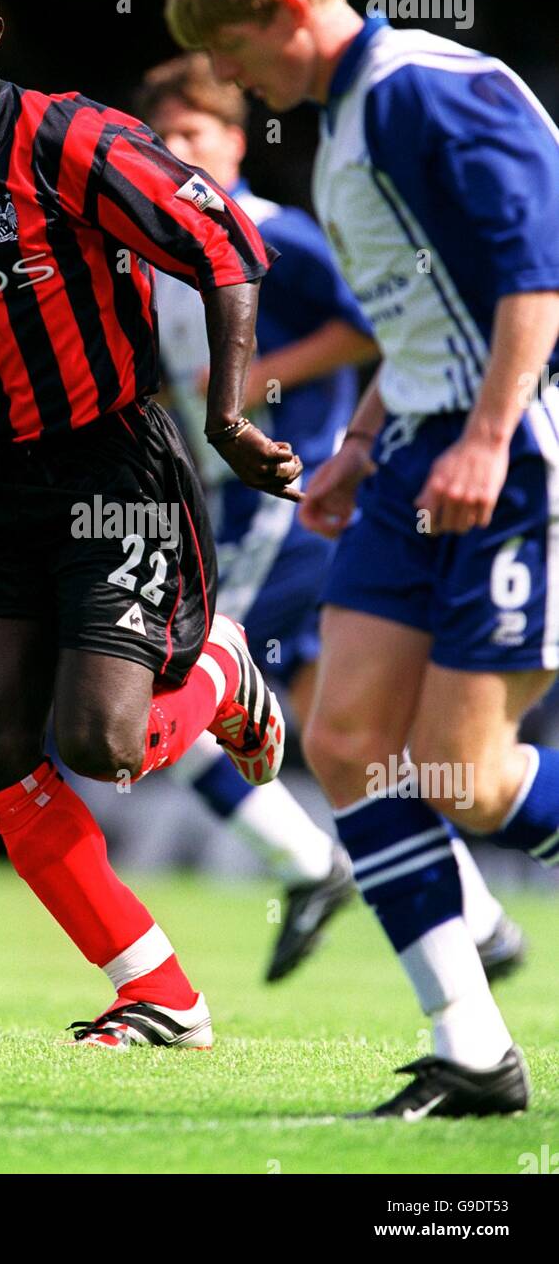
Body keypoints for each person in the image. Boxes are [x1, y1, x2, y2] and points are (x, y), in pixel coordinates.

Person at [0, 0, 302, 1050]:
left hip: (112, 463)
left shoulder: (66, 138)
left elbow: (225, 250)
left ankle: (223, 671)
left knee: (103, 743)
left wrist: (228, 418)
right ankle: (162, 992)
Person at [165, 0, 559, 1115]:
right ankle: (472, 1051)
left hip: (515, 451)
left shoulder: (426, 90)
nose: (238, 82)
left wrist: (488, 433)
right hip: (417, 458)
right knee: (341, 742)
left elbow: (534, 271)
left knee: (467, 779)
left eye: (235, 54)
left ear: (286, 9)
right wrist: (365, 443)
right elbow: (418, 309)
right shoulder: (343, 121)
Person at [138, 52, 526, 985]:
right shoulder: (153, 253)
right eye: (164, 137)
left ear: (235, 142)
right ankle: (482, 920)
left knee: (167, 681)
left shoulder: (277, 233)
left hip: (289, 499)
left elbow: (372, 326)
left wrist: (261, 381)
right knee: (338, 733)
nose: (178, 151)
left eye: (196, 133)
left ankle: (308, 866)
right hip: (228, 502)